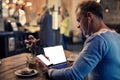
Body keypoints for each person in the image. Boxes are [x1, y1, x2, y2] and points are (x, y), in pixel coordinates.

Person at [38, 1, 120, 80]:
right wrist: (79, 64)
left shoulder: (98, 39)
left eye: (79, 20)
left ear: (89, 17)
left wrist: (49, 71)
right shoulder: (116, 35)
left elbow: (74, 75)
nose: (78, 26)